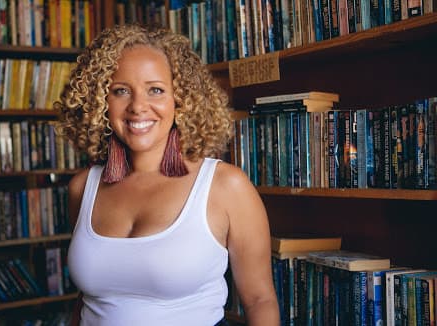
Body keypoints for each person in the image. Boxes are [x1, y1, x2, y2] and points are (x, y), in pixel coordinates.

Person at [55, 23, 280, 326]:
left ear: (181, 100)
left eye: (156, 90)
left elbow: (260, 302)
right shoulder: (83, 188)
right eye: (120, 91)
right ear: (100, 101)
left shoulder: (226, 187)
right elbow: (86, 302)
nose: (137, 107)